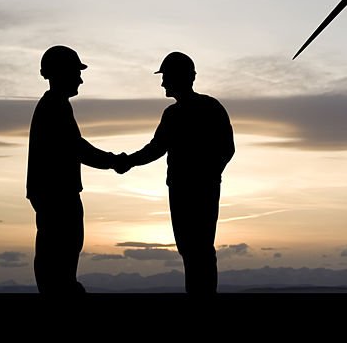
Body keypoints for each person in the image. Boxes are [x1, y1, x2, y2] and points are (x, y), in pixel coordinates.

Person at [118, 52, 234, 294]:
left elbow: (226, 148)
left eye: (166, 77)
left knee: (198, 247)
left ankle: (202, 298)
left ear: (180, 78)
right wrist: (129, 161)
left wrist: (208, 176)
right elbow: (156, 148)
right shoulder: (181, 112)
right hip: (185, 188)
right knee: (191, 247)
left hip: (195, 189)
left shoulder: (202, 109)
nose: (162, 84)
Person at [26, 45, 122, 295]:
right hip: (58, 195)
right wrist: (114, 161)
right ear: (60, 73)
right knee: (60, 252)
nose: (80, 79)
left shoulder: (54, 106)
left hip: (53, 193)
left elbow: (75, 148)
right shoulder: (54, 107)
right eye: (75, 72)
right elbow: (77, 148)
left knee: (57, 252)